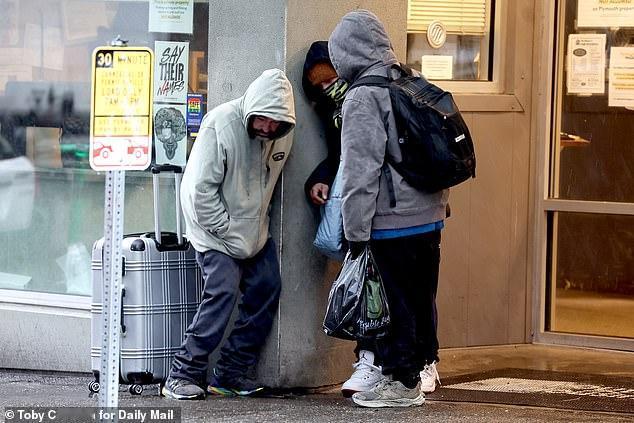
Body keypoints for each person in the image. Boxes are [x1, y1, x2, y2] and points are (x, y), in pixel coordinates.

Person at [328, 10, 448, 407]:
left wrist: (354, 232)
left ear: (345, 53)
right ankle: (420, 370)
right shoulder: (412, 81)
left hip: (391, 220)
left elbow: (359, 172)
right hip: (430, 215)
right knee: (420, 298)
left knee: (393, 304)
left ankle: (401, 383)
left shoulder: (363, 96)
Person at [161, 69, 296, 400]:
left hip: (254, 233)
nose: (267, 128)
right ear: (251, 108)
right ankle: (182, 373)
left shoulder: (282, 135)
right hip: (215, 232)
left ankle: (231, 372)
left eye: (275, 123)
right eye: (262, 119)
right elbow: (197, 192)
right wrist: (226, 228)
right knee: (221, 294)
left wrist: (253, 229)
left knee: (267, 288)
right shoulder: (220, 124)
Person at [301, 41, 384, 397]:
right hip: (360, 206)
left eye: (330, 80)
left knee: (399, 286)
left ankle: (417, 360)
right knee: (368, 285)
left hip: (388, 205)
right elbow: (339, 154)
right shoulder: (334, 109)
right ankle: (369, 359)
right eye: (320, 85)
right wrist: (319, 179)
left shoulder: (368, 98)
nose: (327, 88)